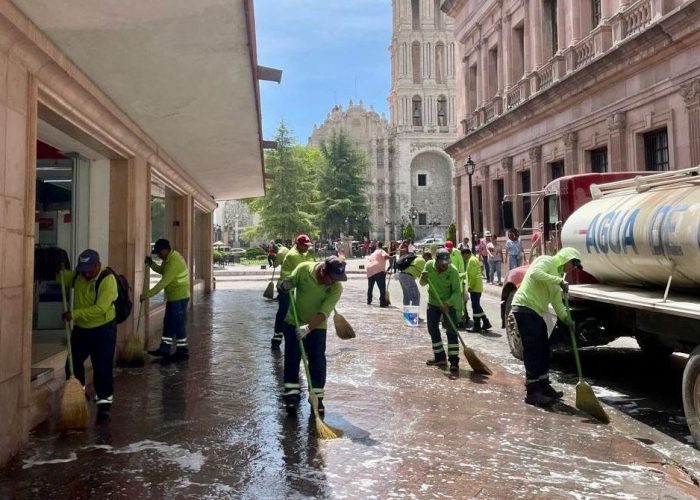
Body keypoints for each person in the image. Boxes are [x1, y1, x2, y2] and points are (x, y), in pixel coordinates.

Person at [511, 247, 582, 407]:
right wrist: (558, 281)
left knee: (544, 347)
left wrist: (566, 319)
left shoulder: (557, 278)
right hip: (524, 306)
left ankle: (543, 385)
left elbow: (557, 303)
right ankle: (533, 391)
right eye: (573, 263)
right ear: (566, 259)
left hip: (535, 311)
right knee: (533, 349)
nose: (573, 268)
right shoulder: (546, 261)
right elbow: (535, 273)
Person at [277, 256, 347, 416]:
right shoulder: (303, 269)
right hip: (293, 322)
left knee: (317, 361)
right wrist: (285, 285)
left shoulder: (336, 287)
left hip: (317, 326)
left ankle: (316, 397)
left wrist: (308, 328)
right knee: (292, 358)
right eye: (332, 278)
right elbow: (289, 282)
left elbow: (324, 311)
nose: (334, 282)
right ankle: (292, 396)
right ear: (323, 272)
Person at [58, 249, 118, 420]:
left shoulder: (107, 280)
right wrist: (59, 270)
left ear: (98, 265)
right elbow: (62, 278)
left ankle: (104, 405)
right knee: (72, 363)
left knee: (102, 368)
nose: (86, 274)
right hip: (82, 330)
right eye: (83, 271)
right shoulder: (78, 276)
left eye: (90, 271)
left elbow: (101, 309)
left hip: (103, 330)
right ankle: (79, 393)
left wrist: (74, 314)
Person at [143, 239, 191, 360]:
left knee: (178, 324)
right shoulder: (169, 258)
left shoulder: (173, 261)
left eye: (159, 253)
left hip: (179, 297)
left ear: (165, 250)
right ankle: (164, 349)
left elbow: (163, 282)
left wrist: (147, 295)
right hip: (173, 297)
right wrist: (152, 264)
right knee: (168, 322)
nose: (158, 255)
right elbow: (162, 270)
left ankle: (182, 351)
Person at [419, 249, 462, 379]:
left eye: (446, 263)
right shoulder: (428, 266)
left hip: (449, 304)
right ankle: (440, 357)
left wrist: (447, 304)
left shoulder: (453, 271)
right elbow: (422, 283)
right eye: (442, 264)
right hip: (433, 303)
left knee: (451, 332)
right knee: (432, 329)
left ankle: (454, 361)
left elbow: (456, 292)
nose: (444, 266)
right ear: (436, 261)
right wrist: (423, 278)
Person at [271, 234, 314, 350]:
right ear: (298, 245)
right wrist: (310, 256)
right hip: (285, 287)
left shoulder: (302, 253)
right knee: (284, 312)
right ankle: (277, 336)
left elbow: (310, 264)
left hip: (294, 287)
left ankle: (294, 336)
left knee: (295, 312)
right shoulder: (293, 255)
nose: (306, 248)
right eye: (305, 246)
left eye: (307, 246)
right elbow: (306, 267)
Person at [463, 247, 493, 333]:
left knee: (475, 307)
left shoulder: (471, 260)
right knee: (476, 306)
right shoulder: (474, 259)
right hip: (477, 286)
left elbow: (472, 275)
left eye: (463, 255)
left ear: (466, 253)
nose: (463, 258)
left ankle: (477, 325)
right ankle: (485, 322)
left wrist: (470, 286)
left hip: (475, 287)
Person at [444, 241, 467, 327]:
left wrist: (462, 274)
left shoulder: (456, 252)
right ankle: (446, 318)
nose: (448, 251)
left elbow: (461, 263)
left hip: (457, 277)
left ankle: (460, 318)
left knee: (459, 298)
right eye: (447, 249)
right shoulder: (443, 253)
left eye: (450, 249)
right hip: (446, 278)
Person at [396, 241, 426, 307]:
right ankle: (413, 316)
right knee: (415, 297)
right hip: (407, 276)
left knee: (406, 296)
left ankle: (407, 315)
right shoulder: (422, 261)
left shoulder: (416, 259)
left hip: (401, 275)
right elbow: (425, 275)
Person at [366, 241, 390, 307]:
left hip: (369, 270)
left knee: (370, 287)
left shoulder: (373, 253)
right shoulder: (382, 251)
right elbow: (385, 257)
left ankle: (369, 300)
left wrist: (384, 271)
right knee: (382, 287)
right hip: (377, 270)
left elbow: (375, 261)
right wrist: (392, 257)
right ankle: (382, 302)